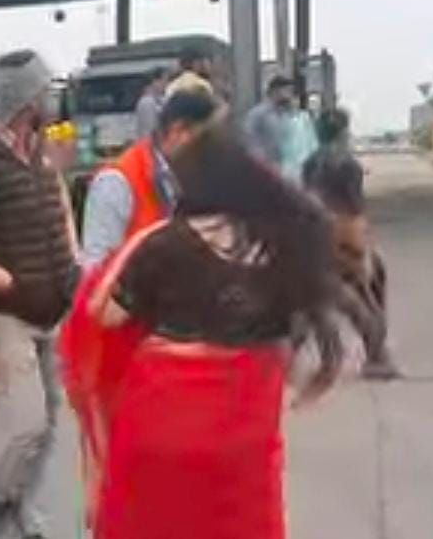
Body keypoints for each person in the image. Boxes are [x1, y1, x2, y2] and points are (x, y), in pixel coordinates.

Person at [61, 126, 344, 539]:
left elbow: (103, 315)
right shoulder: (283, 245)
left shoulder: (162, 244)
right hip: (244, 438)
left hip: (159, 429)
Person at [0, 49, 78, 539]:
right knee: (28, 424)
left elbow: (58, 208)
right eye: (46, 91)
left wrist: (74, 265)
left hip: (52, 306)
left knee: (51, 422)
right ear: (28, 101)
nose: (52, 100)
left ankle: (24, 509)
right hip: (6, 312)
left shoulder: (42, 149)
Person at [302, 109, 399, 380]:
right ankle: (377, 356)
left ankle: (304, 355)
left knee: (321, 298)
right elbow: (355, 207)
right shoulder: (349, 165)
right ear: (344, 132)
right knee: (367, 293)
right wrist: (362, 242)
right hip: (345, 231)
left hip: (317, 232)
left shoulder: (310, 163)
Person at [82, 91, 218, 268]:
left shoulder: (194, 177)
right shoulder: (116, 182)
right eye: (209, 140)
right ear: (178, 132)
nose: (215, 149)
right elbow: (97, 268)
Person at [243, 75, 298, 168]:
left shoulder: (285, 114)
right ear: (275, 91)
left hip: (282, 167)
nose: (290, 95)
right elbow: (250, 140)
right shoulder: (258, 114)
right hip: (263, 167)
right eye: (287, 91)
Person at [133, 67, 170, 139]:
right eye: (164, 81)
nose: (166, 84)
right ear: (155, 81)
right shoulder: (147, 102)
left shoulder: (159, 99)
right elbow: (150, 129)